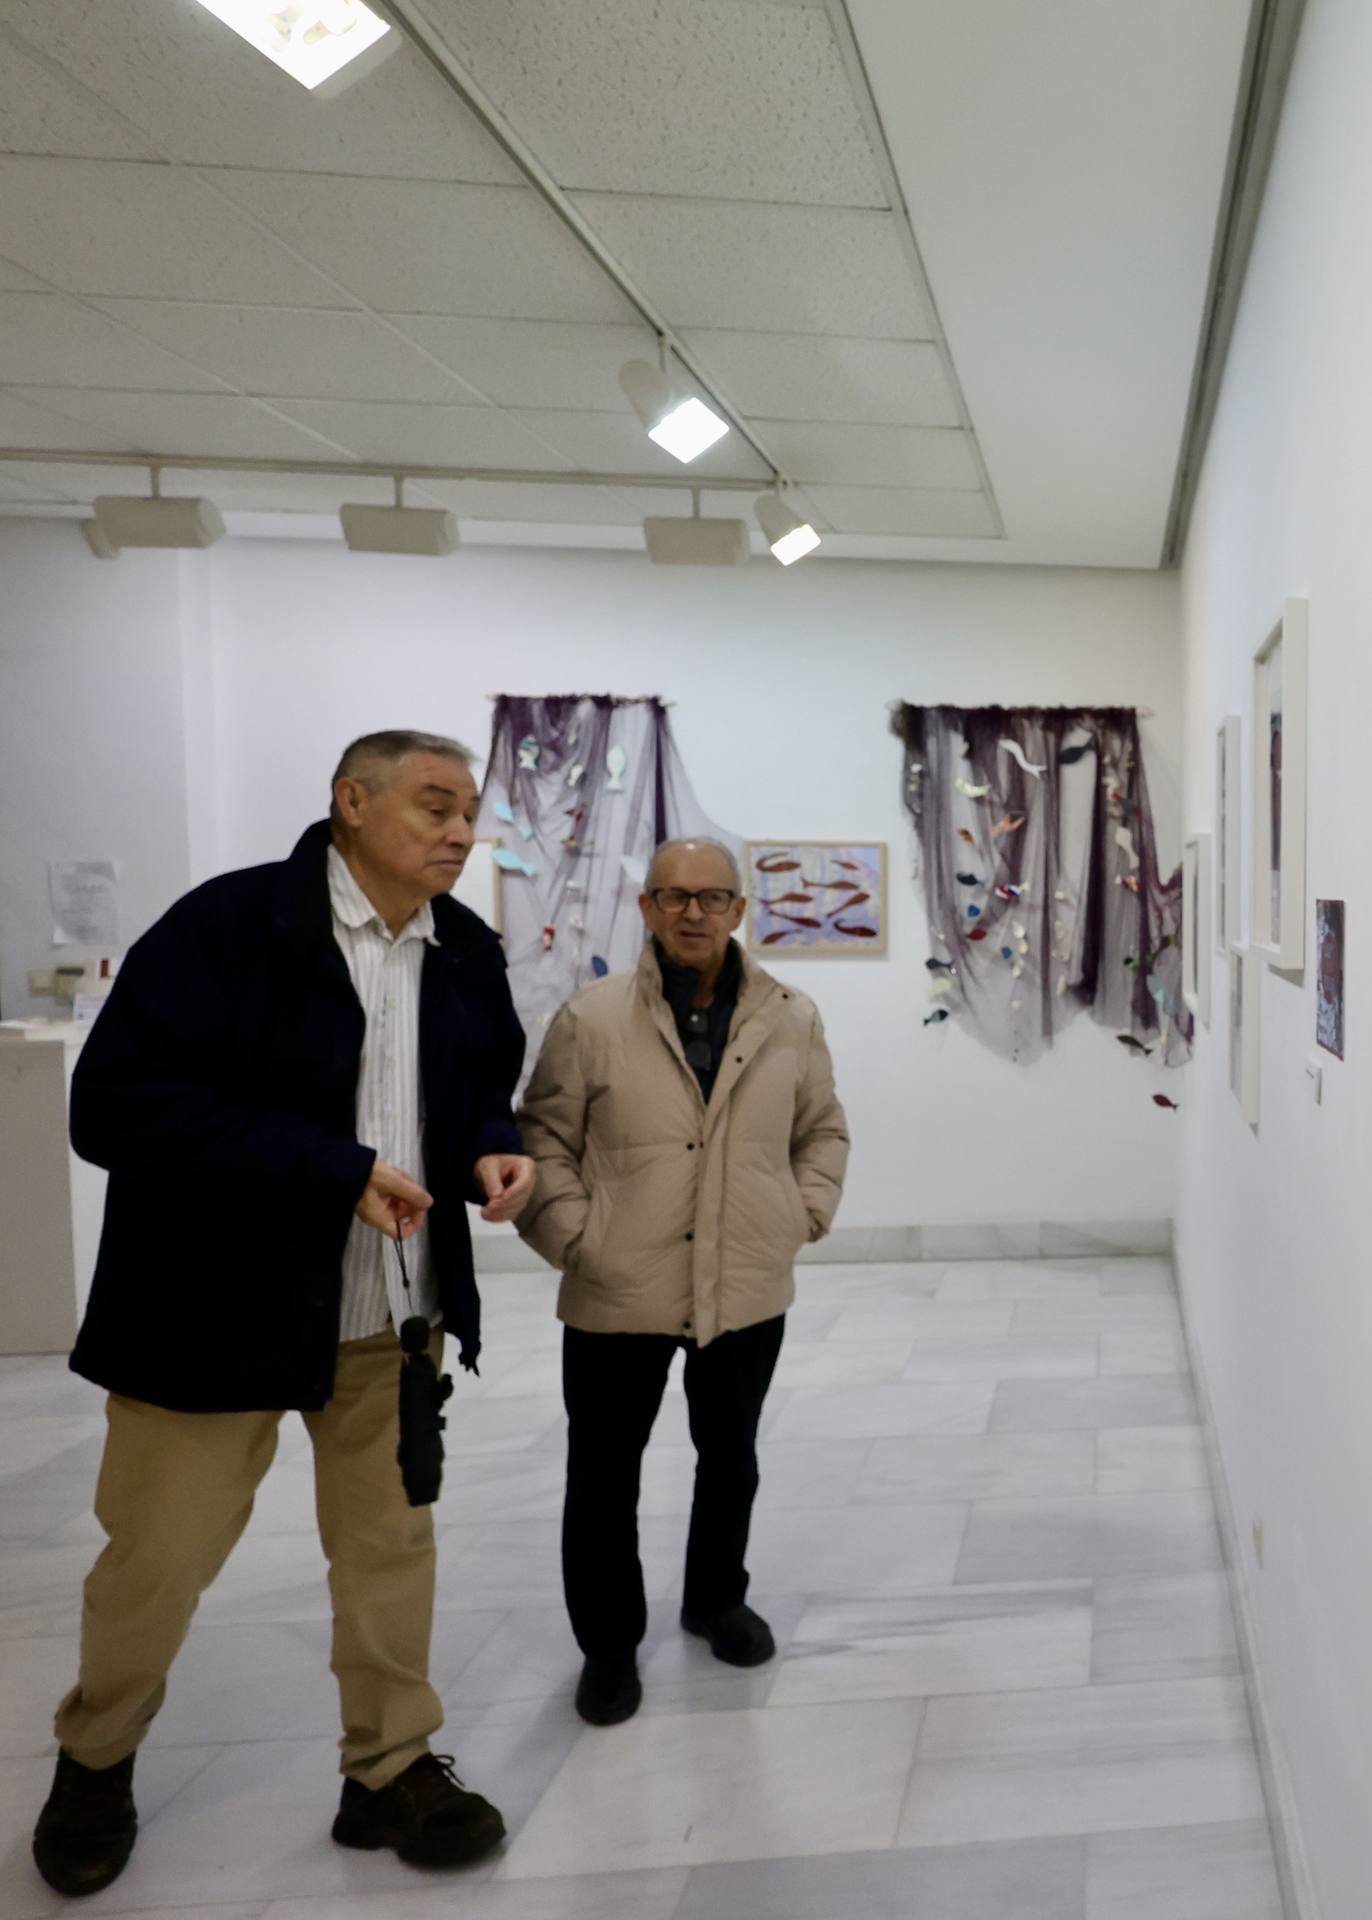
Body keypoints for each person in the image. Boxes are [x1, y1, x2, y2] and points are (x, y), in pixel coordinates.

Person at [34, 731, 535, 1897]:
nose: (460, 831)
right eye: (433, 805)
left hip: (388, 1315)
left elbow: (476, 1094)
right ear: (350, 803)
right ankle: (94, 1760)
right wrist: (324, 1169)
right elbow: (115, 1107)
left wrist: (491, 1153)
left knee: (388, 1555)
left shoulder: (464, 951)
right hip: (212, 1311)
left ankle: (389, 1767)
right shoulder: (227, 928)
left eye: (470, 812)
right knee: (156, 1559)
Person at [514, 837, 848, 1726]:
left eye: (710, 897)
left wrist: (798, 1212)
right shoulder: (590, 1018)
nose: (692, 913)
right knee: (603, 1472)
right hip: (617, 1285)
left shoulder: (790, 1016)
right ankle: (609, 1647)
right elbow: (542, 1140)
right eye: (672, 896)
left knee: (729, 1458)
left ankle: (715, 1601)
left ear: (740, 910)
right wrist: (578, 1238)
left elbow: (822, 1132)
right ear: (647, 909)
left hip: (743, 1283)